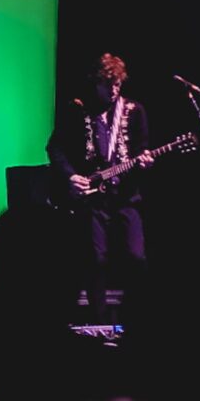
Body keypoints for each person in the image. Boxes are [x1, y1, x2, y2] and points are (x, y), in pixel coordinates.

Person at [46, 53, 153, 324]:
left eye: (117, 84)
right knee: (96, 260)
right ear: (96, 83)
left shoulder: (134, 110)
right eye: (108, 84)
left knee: (136, 258)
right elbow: (55, 147)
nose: (114, 90)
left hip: (125, 197)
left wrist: (144, 162)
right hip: (92, 200)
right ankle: (99, 322)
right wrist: (71, 176)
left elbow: (141, 150)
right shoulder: (78, 109)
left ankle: (136, 321)